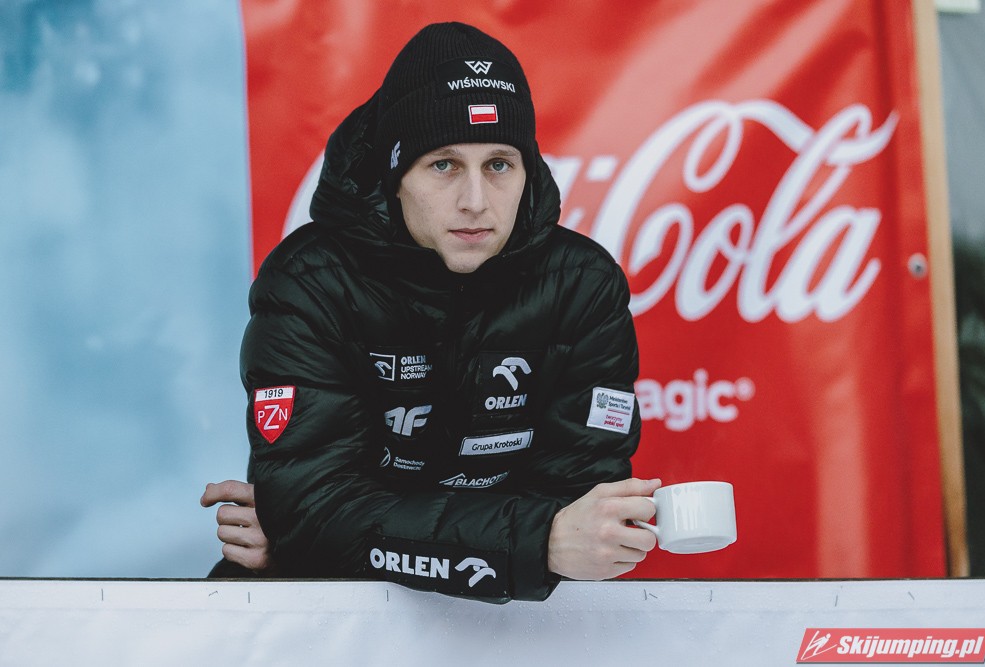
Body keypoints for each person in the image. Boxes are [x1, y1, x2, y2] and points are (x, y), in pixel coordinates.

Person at [201, 21, 659, 602]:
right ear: (396, 177)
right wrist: (533, 541)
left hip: (516, 614)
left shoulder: (583, 284)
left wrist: (323, 537)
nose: (475, 201)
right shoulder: (311, 282)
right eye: (443, 164)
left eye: (499, 164)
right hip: (333, 610)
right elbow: (316, 509)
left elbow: (582, 507)